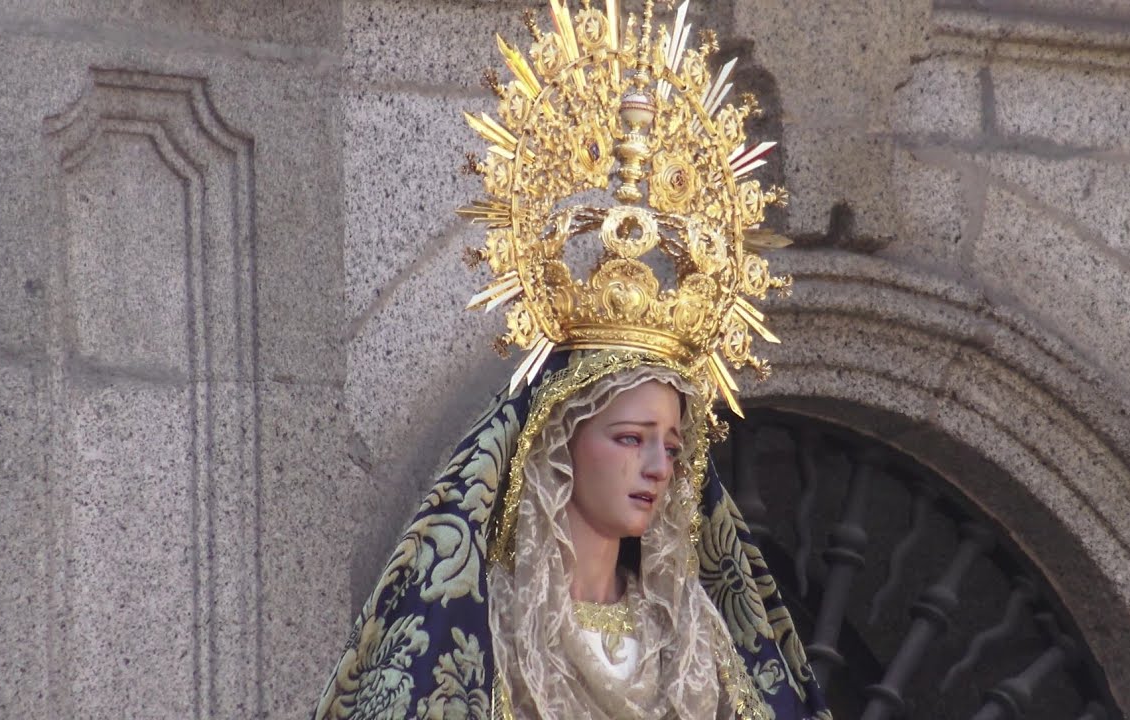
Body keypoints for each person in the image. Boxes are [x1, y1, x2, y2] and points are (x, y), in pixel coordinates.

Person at [314, 2, 832, 718]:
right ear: (559, 441)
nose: (659, 468)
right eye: (631, 438)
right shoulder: (488, 631)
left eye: (672, 446)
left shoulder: (700, 644)